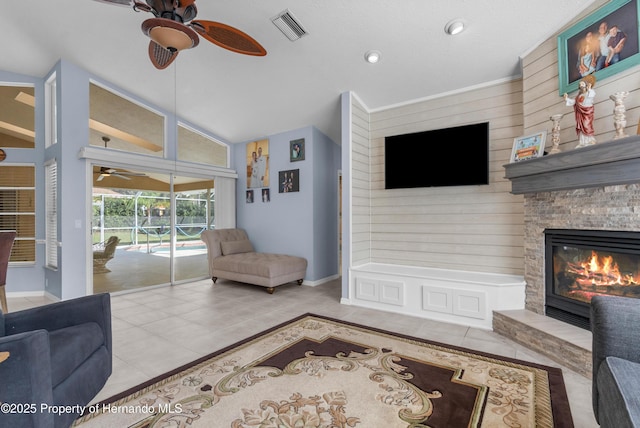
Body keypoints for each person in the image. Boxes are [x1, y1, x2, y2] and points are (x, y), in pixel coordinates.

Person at [563, 74, 597, 148]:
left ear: (586, 85)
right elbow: (574, 102)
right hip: (580, 114)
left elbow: (592, 95)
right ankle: (582, 142)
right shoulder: (579, 96)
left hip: (587, 112)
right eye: (580, 84)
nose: (581, 85)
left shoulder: (589, 92)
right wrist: (566, 99)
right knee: (581, 127)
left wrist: (590, 89)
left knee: (587, 125)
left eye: (582, 83)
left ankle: (590, 140)